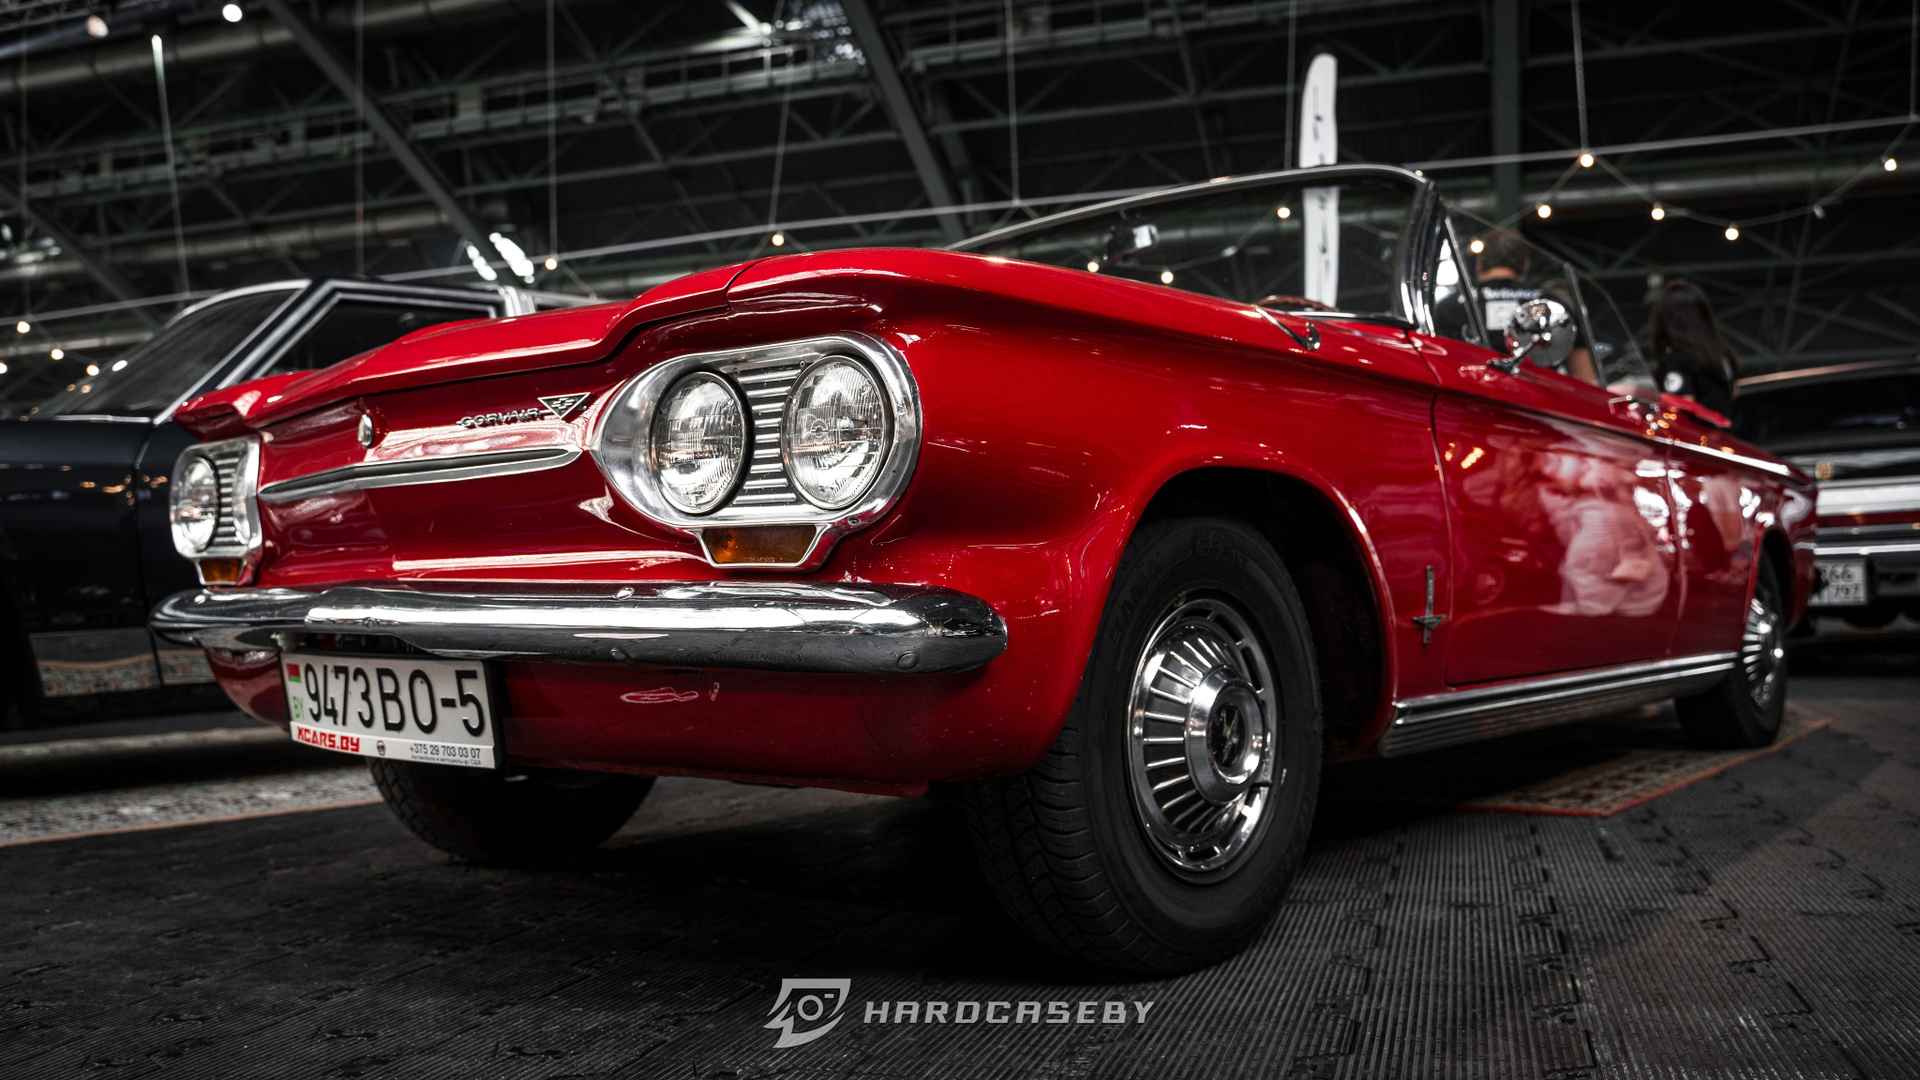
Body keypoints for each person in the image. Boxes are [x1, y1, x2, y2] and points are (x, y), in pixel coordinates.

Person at [1648, 278, 1739, 419]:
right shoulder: (1722, 354)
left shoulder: (1676, 360)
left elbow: (1680, 411)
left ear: (1666, 320)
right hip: (1724, 430)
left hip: (1699, 432)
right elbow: (1733, 393)